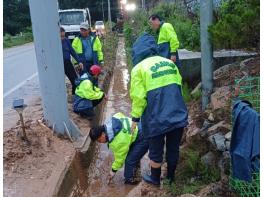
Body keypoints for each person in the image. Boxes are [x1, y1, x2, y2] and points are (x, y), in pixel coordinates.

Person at [130, 33, 188, 186]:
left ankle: (155, 178)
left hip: (156, 117)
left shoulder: (138, 69)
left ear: (137, 51)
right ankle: (170, 178)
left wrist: (135, 118)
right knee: (173, 148)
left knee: (156, 150)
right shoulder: (169, 63)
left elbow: (138, 97)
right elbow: (179, 89)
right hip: (178, 112)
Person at [89, 112, 149, 185]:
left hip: (144, 137)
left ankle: (131, 182)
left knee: (129, 161)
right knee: (132, 156)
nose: (100, 142)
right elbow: (119, 114)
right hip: (140, 125)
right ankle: (136, 171)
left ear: (103, 134)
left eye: (99, 140)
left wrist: (112, 172)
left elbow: (119, 159)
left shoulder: (118, 142)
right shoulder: (113, 119)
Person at [60, 27, 83, 95]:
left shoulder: (66, 41)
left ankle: (74, 96)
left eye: (64, 36)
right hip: (58, 65)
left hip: (67, 63)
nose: (62, 38)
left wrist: (79, 61)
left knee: (75, 81)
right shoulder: (53, 43)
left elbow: (72, 51)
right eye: (61, 36)